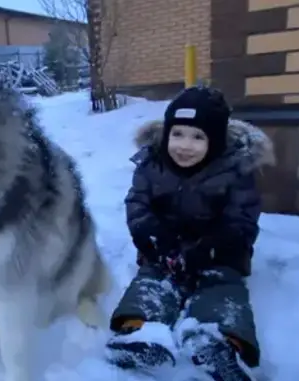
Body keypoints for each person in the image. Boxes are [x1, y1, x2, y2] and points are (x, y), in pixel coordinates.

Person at [105, 86, 274, 381]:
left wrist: (209, 249)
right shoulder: (151, 163)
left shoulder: (235, 171)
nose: (185, 145)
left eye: (198, 137)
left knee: (221, 288)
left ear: (217, 141)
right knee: (152, 282)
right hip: (164, 248)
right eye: (178, 134)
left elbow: (242, 220)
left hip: (218, 253)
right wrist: (154, 237)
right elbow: (137, 204)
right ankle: (139, 332)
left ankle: (218, 343)